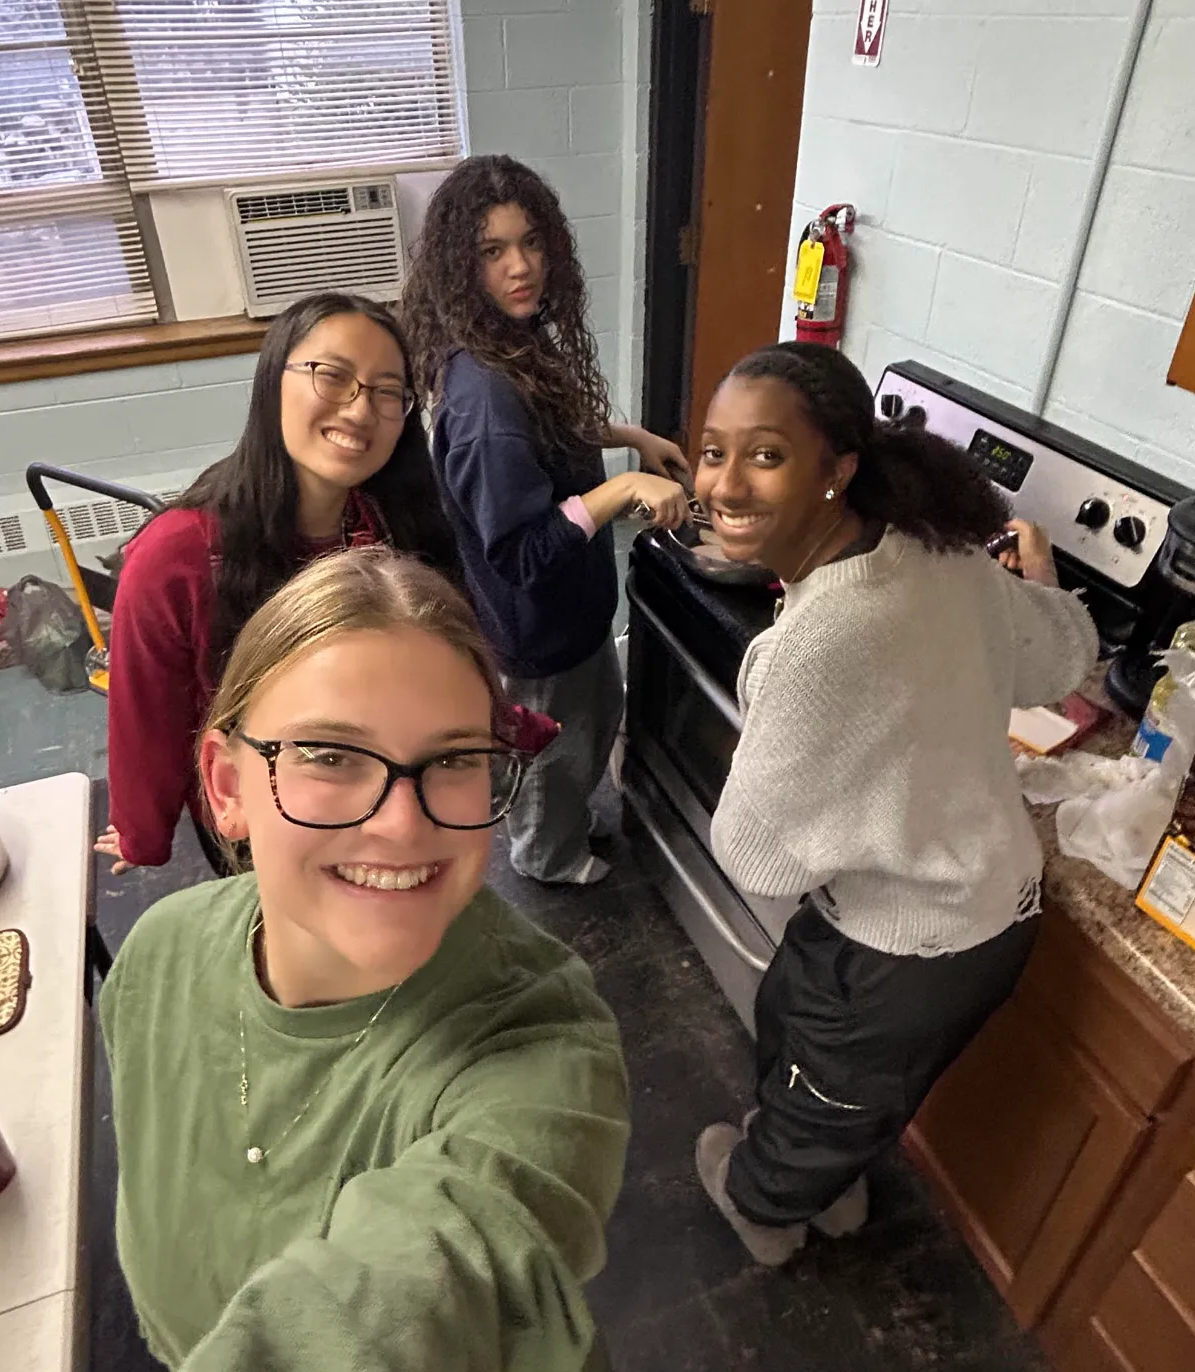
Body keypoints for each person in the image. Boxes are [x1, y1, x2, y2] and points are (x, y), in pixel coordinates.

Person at [101, 547, 631, 1370]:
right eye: (330, 755)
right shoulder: (158, 953)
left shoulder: (538, 1053)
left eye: (453, 759)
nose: (401, 824)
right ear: (227, 787)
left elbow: (438, 1273)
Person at [687, 342, 1098, 1265]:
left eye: (765, 455)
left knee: (828, 1084)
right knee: (829, 1064)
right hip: (980, 909)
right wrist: (1034, 580)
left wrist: (850, 796)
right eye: (713, 452)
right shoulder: (935, 551)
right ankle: (822, 1181)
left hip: (907, 940)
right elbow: (1062, 655)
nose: (724, 484)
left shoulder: (812, 646)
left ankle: (764, 1208)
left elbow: (756, 856)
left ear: (836, 469)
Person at [97, 292, 459, 876]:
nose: (360, 410)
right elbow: (147, 716)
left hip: (387, 792)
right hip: (266, 822)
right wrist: (143, 831)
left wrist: (505, 728)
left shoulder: (387, 525)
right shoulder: (179, 554)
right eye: (333, 376)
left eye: (387, 391)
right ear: (273, 383)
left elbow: (442, 664)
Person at [402, 153, 689, 886]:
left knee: (591, 722)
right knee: (554, 752)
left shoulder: (512, 339)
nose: (521, 266)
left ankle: (560, 823)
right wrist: (623, 491)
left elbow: (550, 431)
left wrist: (631, 437)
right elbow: (522, 552)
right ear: (460, 266)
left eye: (531, 242)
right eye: (492, 251)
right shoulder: (484, 398)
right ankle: (545, 857)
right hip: (535, 626)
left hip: (571, 608)